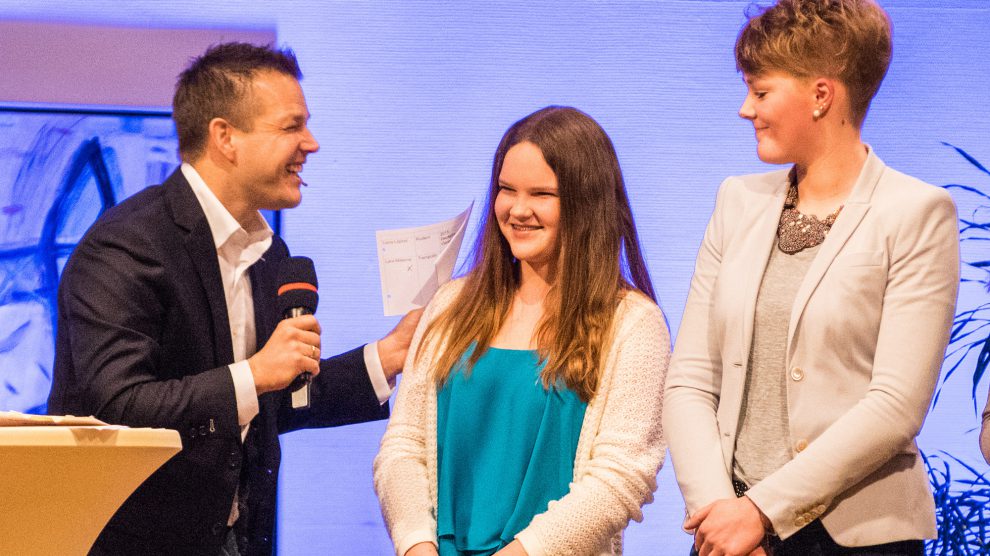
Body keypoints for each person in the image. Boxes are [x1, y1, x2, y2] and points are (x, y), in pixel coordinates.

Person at [47, 42, 421, 556]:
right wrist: (255, 373)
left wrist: (387, 357)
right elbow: (115, 407)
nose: (311, 143)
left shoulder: (268, 252)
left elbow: (266, 406)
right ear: (225, 137)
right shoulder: (127, 244)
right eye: (291, 127)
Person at [662, 1, 960, 555]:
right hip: (729, 535)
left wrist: (762, 512)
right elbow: (690, 381)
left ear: (821, 95)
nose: (745, 109)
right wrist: (721, 515)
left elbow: (895, 404)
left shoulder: (916, 212)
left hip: (854, 540)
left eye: (761, 91)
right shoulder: (737, 201)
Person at [373, 106, 669, 556]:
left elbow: (621, 477)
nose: (517, 209)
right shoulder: (452, 304)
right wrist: (417, 545)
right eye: (506, 190)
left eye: (541, 194)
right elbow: (403, 446)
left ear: (586, 202)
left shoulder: (632, 322)